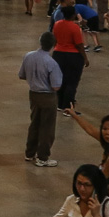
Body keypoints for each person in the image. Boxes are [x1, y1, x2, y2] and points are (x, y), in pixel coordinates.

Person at [18, 32, 63, 167]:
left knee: (35, 124)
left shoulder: (28, 56)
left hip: (33, 94)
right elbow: (55, 86)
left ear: (40, 42)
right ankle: (43, 157)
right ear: (54, 46)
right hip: (48, 96)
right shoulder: (51, 63)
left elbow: (21, 75)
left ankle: (29, 152)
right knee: (47, 127)